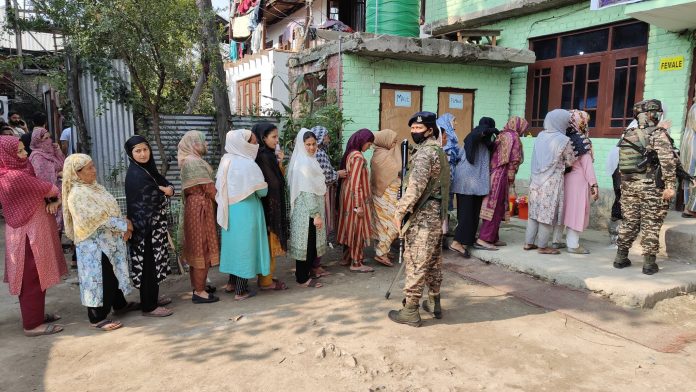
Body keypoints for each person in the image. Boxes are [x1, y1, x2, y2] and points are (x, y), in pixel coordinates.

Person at [0, 136, 66, 336]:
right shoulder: (12, 176)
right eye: (19, 151)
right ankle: (32, 324)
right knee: (31, 278)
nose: (25, 153)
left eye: (23, 149)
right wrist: (52, 196)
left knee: (38, 276)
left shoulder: (19, 171)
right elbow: (51, 188)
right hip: (27, 236)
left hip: (31, 232)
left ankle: (36, 315)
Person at [62, 154, 137, 330]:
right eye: (89, 168)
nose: (94, 171)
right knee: (99, 278)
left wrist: (123, 224)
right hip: (93, 245)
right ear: (76, 173)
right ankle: (97, 317)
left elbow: (109, 210)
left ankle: (119, 305)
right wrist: (125, 226)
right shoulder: (78, 194)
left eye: (93, 166)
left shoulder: (94, 187)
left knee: (112, 273)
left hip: (108, 241)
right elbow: (98, 219)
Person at [388, 111, 449, 327]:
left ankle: (411, 310)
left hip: (423, 217)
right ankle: (434, 302)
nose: (415, 132)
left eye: (419, 129)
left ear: (430, 130)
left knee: (415, 263)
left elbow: (415, 188)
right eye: (412, 128)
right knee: (433, 262)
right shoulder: (438, 150)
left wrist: (400, 212)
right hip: (436, 215)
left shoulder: (425, 155)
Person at [615, 99, 678, 275]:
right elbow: (668, 163)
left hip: (629, 186)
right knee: (651, 224)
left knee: (629, 221)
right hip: (651, 187)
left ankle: (620, 258)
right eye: (656, 112)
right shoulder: (658, 134)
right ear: (652, 114)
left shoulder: (628, 133)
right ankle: (649, 264)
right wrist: (670, 186)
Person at [215, 129, 270, 300]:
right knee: (245, 248)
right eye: (252, 142)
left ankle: (232, 283)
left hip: (229, 210)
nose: (256, 145)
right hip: (246, 211)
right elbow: (262, 192)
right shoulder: (247, 164)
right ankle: (241, 290)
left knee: (234, 247)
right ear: (242, 144)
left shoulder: (226, 160)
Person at [124, 135, 174, 317]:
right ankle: (149, 306)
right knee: (147, 266)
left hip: (153, 227)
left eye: (145, 149)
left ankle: (152, 298)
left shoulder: (147, 170)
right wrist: (164, 191)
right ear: (131, 153)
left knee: (154, 263)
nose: (143, 154)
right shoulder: (136, 175)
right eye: (138, 151)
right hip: (144, 229)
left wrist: (165, 189)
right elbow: (157, 196)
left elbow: (168, 186)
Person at [524, 109, 576, 255]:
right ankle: (542, 246)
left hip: (535, 180)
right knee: (546, 215)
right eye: (566, 121)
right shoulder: (564, 140)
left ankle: (528, 243)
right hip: (551, 181)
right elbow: (570, 161)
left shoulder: (540, 135)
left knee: (533, 213)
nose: (568, 124)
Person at [177, 130, 220, 303]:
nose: (206, 144)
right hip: (201, 208)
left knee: (196, 247)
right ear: (194, 144)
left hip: (194, 207)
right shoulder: (194, 163)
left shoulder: (189, 161)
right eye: (203, 141)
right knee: (202, 247)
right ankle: (200, 292)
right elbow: (210, 189)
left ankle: (198, 286)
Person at [449, 117, 497, 257]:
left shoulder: (484, 141)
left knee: (473, 213)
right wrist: (487, 130)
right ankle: (457, 242)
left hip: (475, 183)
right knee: (466, 214)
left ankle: (466, 241)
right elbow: (477, 134)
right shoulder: (473, 137)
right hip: (466, 182)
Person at [478, 116, 527, 249]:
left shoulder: (502, 135)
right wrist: (511, 181)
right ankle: (484, 238)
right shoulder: (514, 137)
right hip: (502, 175)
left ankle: (492, 237)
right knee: (494, 207)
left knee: (494, 205)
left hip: (492, 173)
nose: (523, 131)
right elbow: (514, 159)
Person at [553, 110, 598, 254]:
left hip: (563, 179)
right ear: (580, 122)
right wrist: (594, 184)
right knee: (576, 211)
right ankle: (572, 245)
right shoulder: (583, 140)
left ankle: (556, 241)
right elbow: (587, 165)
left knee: (563, 210)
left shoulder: (562, 138)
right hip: (578, 181)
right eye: (585, 120)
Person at [251, 122, 289, 291]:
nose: (276, 140)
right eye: (273, 137)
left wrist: (279, 162)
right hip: (268, 207)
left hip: (270, 205)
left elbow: (278, 179)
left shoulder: (269, 156)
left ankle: (267, 276)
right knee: (268, 243)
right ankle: (266, 281)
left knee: (269, 243)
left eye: (277, 137)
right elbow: (274, 183)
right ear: (262, 138)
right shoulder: (263, 156)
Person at [287, 129, 327, 288]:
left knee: (310, 243)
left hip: (310, 210)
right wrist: (315, 214)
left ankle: (305, 274)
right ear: (301, 145)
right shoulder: (303, 163)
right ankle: (302, 279)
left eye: (314, 144)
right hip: (306, 211)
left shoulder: (310, 160)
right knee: (307, 243)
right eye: (308, 144)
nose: (311, 147)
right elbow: (307, 191)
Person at [337, 128, 375, 272]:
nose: (369, 147)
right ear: (362, 141)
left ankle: (347, 257)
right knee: (357, 229)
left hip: (347, 197)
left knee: (349, 227)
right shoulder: (358, 157)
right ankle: (357, 263)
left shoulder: (350, 154)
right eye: (369, 144)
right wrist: (358, 205)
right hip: (355, 199)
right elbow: (356, 182)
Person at [310, 125, 347, 277]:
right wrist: (337, 174)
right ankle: (315, 265)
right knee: (321, 229)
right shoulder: (320, 154)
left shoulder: (317, 153)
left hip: (321, 193)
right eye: (326, 136)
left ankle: (315, 262)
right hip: (322, 194)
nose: (328, 139)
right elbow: (327, 176)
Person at [370, 129, 401, 267]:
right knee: (392, 225)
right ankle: (381, 253)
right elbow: (398, 170)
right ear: (384, 140)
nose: (395, 144)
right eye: (393, 141)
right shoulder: (384, 156)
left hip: (381, 195)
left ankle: (383, 250)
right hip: (386, 195)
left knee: (382, 225)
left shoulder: (379, 153)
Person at [29, 125, 65, 231]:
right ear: (38, 141)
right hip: (49, 196)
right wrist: (58, 174)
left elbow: (63, 165)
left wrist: (58, 151)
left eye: (49, 137)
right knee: (53, 224)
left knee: (59, 221)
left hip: (59, 192)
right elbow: (42, 179)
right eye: (45, 138)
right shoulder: (37, 157)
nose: (49, 141)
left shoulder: (51, 152)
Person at [680, 103, 696, 217]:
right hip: (692, 145)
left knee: (689, 175)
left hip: (691, 143)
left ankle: (689, 207)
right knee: (691, 176)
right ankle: (689, 209)